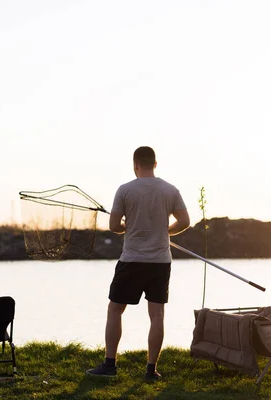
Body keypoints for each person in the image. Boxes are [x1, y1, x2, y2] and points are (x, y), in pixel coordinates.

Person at [86, 146, 190, 380]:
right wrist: (167, 231)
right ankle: (151, 370)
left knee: (115, 310)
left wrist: (126, 226)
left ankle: (110, 365)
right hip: (160, 262)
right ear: (155, 164)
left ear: (135, 165)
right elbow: (185, 221)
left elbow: (114, 227)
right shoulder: (170, 190)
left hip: (132, 260)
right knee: (157, 316)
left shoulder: (125, 190)